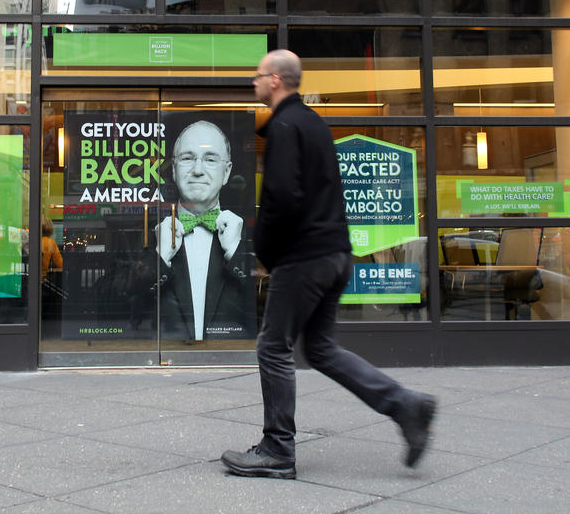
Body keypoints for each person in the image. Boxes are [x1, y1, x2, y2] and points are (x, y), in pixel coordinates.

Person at [221, 50, 436, 480]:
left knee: (272, 346)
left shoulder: (283, 126)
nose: (254, 82)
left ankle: (277, 449)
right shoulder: (316, 124)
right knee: (319, 349)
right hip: (336, 253)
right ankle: (406, 407)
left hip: (304, 257)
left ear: (277, 80)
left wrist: (265, 252)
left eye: (258, 76)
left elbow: (282, 197)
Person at [154, 120, 254, 341]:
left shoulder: (248, 238)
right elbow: (112, 302)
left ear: (227, 172)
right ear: (173, 169)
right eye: (188, 158)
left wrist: (236, 254)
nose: (197, 170)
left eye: (210, 160)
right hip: (167, 357)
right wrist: (159, 258)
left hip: (231, 358)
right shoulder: (149, 232)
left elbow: (269, 304)